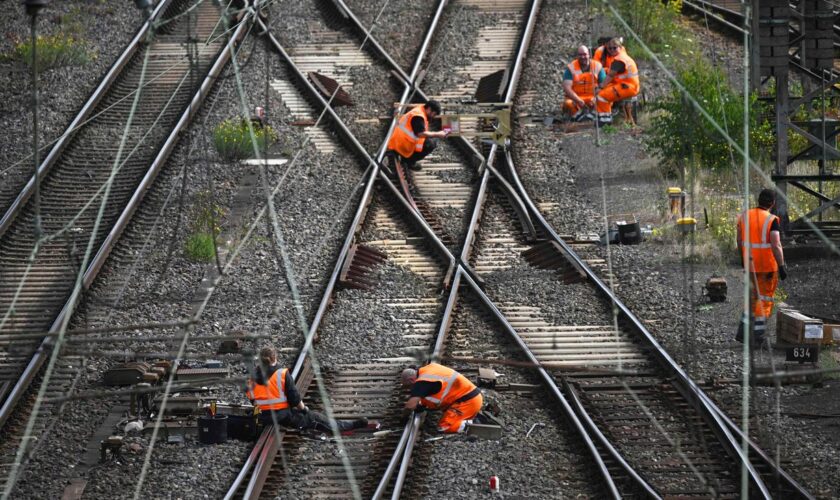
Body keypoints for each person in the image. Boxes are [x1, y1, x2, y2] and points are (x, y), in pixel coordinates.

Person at [246, 345, 376, 433]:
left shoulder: (251, 377)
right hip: (281, 416)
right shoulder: (281, 374)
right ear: (275, 358)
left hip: (262, 416)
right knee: (315, 418)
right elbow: (295, 398)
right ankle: (348, 426)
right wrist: (304, 410)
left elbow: (253, 400)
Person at [735, 188, 787, 345]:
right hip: (766, 268)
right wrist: (782, 265)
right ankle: (757, 337)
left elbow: (739, 240)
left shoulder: (744, 216)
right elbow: (776, 244)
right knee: (763, 300)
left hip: (749, 265)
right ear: (772, 203)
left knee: (751, 298)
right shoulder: (771, 220)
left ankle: (743, 333)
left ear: (759, 200)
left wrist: (743, 259)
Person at [401, 363, 483, 433]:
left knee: (444, 427)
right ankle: (470, 417)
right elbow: (433, 393)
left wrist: (404, 418)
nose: (410, 389)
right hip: (470, 398)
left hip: (467, 402)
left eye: (409, 386)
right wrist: (422, 405)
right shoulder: (427, 369)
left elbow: (410, 406)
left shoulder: (422, 382)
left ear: (412, 380)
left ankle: (474, 424)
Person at [386, 100, 449, 171]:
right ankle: (409, 161)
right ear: (429, 109)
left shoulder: (420, 109)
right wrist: (438, 134)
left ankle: (407, 158)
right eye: (433, 114)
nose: (433, 117)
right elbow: (420, 134)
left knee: (428, 140)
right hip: (402, 145)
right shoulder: (419, 116)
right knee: (431, 144)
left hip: (398, 141)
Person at [594, 38, 640, 125]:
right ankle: (614, 117)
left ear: (620, 47)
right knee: (605, 92)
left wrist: (600, 87)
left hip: (627, 87)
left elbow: (610, 76)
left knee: (601, 96)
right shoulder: (623, 56)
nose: (612, 50)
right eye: (610, 48)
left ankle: (605, 122)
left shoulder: (619, 60)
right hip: (628, 85)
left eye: (614, 48)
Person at [563, 45, 605, 121]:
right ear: (577, 56)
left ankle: (589, 116)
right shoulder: (571, 67)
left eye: (585, 54)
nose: (583, 57)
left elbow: (604, 85)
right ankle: (580, 117)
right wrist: (578, 100)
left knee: (606, 100)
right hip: (576, 98)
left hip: (593, 97)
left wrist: (595, 98)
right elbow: (567, 87)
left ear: (589, 55)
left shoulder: (597, 66)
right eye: (580, 55)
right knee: (568, 104)